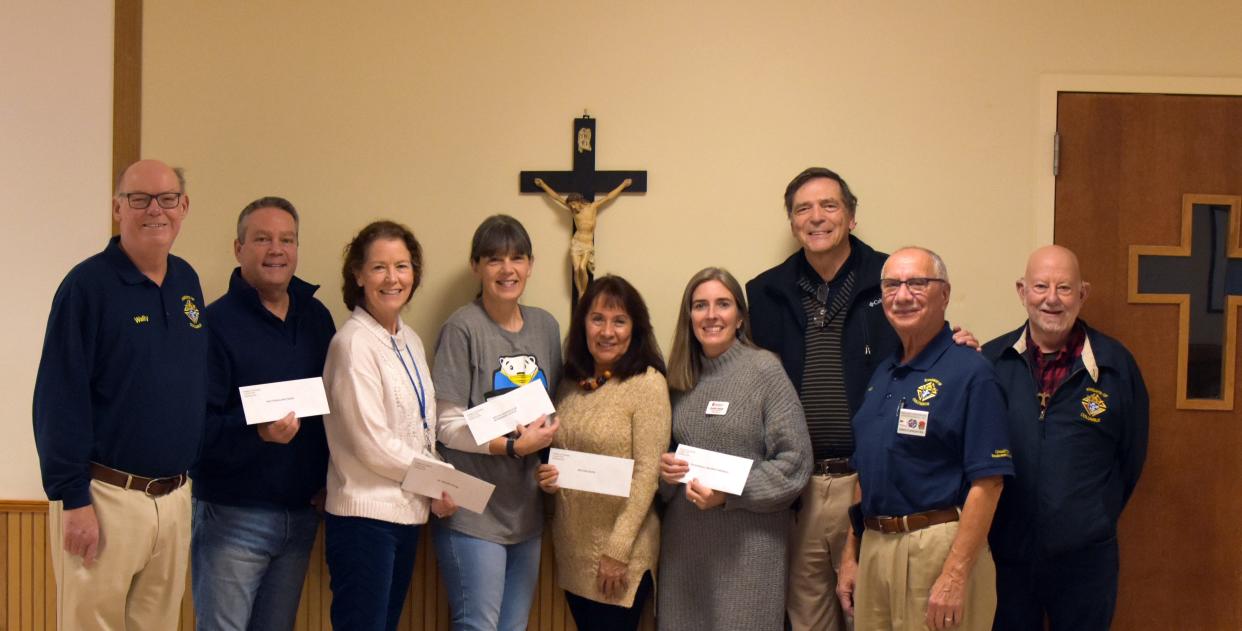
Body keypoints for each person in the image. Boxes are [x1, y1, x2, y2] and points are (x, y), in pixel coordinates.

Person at [747, 167, 975, 631]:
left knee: (872, 616)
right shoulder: (764, 292)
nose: (816, 218)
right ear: (792, 223)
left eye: (829, 206)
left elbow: (930, 344)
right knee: (808, 618)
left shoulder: (892, 280)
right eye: (802, 209)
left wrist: (959, 342)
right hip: (800, 486)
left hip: (874, 484)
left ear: (851, 217)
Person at [33, 159, 205, 630]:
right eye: (139, 199)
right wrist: (73, 499)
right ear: (117, 208)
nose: (156, 210)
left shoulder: (186, 282)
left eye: (167, 198)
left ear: (183, 206)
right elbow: (58, 399)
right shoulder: (86, 287)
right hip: (104, 498)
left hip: (173, 498)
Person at [836, 247, 1012, 631]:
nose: (902, 295)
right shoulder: (883, 373)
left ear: (945, 294)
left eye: (917, 283)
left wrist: (955, 574)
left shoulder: (971, 372)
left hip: (937, 547)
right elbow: (866, 473)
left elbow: (989, 482)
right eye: (891, 285)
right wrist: (852, 555)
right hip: (877, 546)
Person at [983, 245, 1148, 631]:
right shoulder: (990, 363)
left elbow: (1131, 457)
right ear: (1022, 291)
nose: (1051, 299)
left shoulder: (1115, 366)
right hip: (1006, 556)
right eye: (1041, 286)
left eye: (1064, 288)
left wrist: (1093, 517)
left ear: (1083, 294)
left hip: (1085, 560)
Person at [190, 196, 336, 631]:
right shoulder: (214, 325)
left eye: (286, 240)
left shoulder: (316, 318)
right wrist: (259, 433)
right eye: (262, 239)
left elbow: (332, 409)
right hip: (233, 517)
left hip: (300, 516)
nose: (276, 249)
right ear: (238, 249)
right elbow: (197, 431)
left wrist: (328, 480)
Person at [657, 267, 813, 631]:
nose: (711, 315)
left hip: (749, 556)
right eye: (700, 305)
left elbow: (795, 463)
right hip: (685, 554)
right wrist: (666, 474)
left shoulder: (764, 370)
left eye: (723, 304)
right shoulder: (679, 378)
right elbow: (664, 472)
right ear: (689, 316)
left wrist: (730, 494)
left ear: (740, 316)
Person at [321, 220, 457, 631]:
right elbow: (372, 445)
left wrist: (435, 485)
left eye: (402, 266)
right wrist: (440, 480)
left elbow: (421, 428)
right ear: (358, 275)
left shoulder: (410, 340)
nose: (392, 278)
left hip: (405, 517)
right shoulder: (352, 343)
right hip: (364, 521)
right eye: (379, 267)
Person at [432, 214, 562, 631]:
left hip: (526, 511)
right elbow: (446, 425)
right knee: (478, 626)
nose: (508, 270)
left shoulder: (546, 326)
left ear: (531, 264)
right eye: (494, 260)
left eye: (517, 258)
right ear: (476, 267)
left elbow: (551, 410)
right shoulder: (462, 328)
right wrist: (509, 446)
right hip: (474, 510)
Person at [536, 275, 671, 631]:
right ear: (583, 325)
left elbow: (647, 475)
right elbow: (558, 455)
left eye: (619, 321)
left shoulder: (647, 384)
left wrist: (617, 550)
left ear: (635, 329)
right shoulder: (569, 384)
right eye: (598, 319)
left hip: (619, 553)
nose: (607, 331)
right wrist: (547, 480)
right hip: (572, 549)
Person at [533, 177, 632, 297]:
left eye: (574, 204)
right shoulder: (573, 211)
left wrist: (623, 185)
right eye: (571, 205)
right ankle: (580, 291)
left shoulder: (592, 207)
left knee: (581, 267)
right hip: (576, 243)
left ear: (579, 201)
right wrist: (543, 185)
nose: (573, 207)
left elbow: (608, 197)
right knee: (575, 269)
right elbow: (556, 197)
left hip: (587, 244)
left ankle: (583, 292)